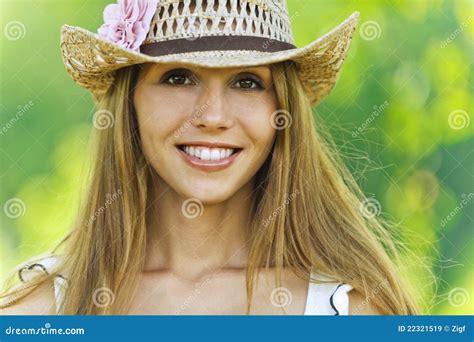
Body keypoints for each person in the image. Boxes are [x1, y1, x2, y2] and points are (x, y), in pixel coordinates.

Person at [1, 0, 419, 315]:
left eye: (248, 82)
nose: (213, 116)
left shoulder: (352, 311)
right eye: (179, 77)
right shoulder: (40, 309)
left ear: (282, 111)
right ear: (129, 102)